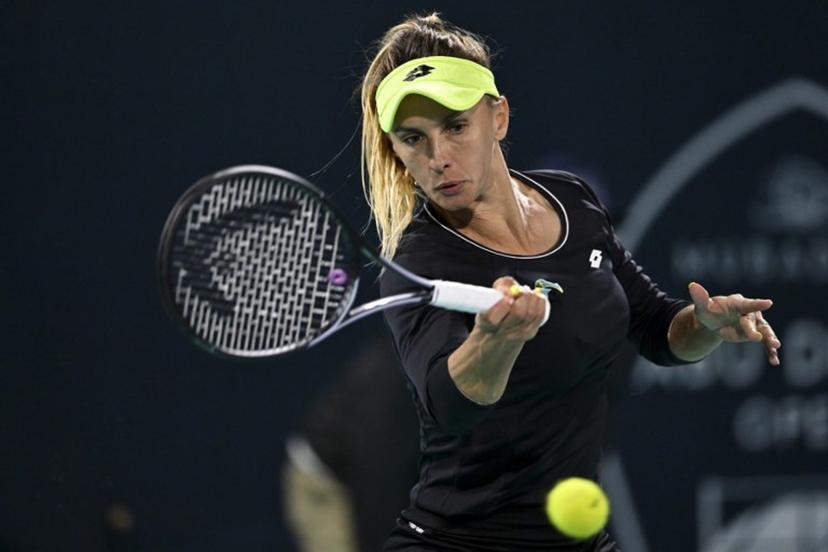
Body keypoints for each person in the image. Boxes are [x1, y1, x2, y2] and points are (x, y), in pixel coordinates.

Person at [358, 13, 782, 552]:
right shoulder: (414, 262)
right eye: (413, 138)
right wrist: (497, 340)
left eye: (456, 127)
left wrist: (703, 324)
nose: (439, 158)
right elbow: (451, 402)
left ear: (499, 117)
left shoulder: (573, 201)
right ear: (396, 149)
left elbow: (657, 330)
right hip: (455, 543)